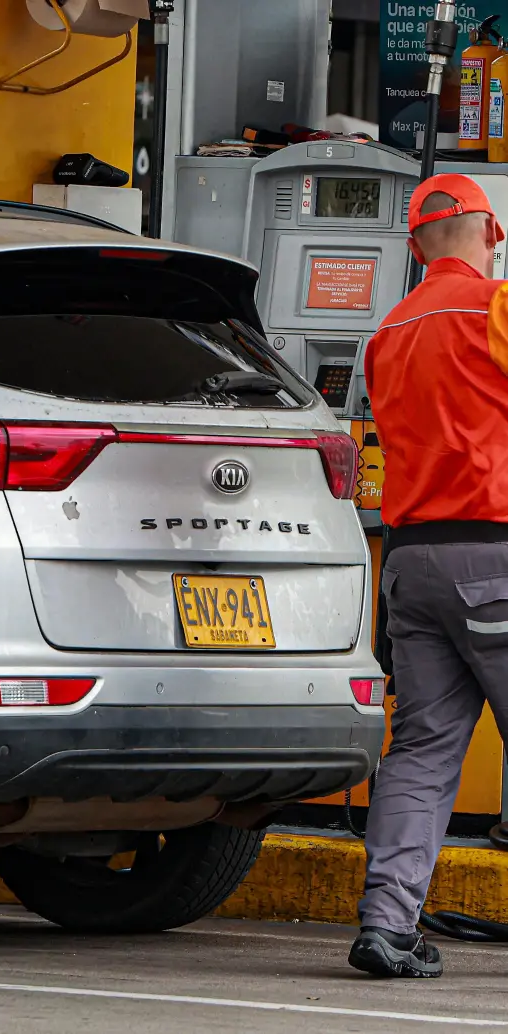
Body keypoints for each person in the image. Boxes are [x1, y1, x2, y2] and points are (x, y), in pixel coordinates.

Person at [349, 173, 508, 979]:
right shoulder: (498, 307)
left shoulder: (388, 330)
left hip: (414, 564)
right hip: (498, 552)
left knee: (419, 750)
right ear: (494, 234)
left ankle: (387, 925)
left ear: (413, 248)